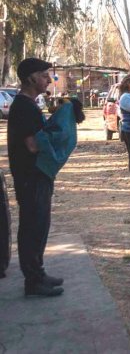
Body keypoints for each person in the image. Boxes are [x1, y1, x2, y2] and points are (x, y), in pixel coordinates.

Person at [8, 58, 63, 296]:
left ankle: (38, 273)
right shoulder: (24, 107)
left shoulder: (28, 104)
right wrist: (57, 135)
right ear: (30, 78)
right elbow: (32, 145)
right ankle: (33, 280)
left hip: (37, 174)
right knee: (32, 226)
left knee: (40, 225)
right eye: (43, 75)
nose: (48, 80)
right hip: (31, 176)